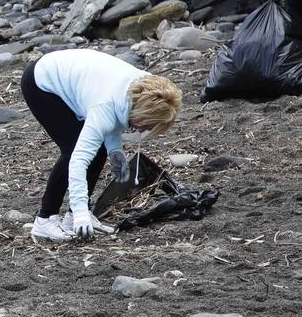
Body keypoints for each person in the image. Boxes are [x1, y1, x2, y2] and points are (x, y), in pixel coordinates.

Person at [20, 49, 181, 243]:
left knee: (99, 149)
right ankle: (45, 220)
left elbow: (115, 116)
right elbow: (79, 160)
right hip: (42, 82)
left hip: (77, 76)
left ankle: (72, 217)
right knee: (72, 150)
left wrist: (115, 150)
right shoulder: (105, 105)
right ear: (143, 112)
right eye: (147, 124)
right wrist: (81, 213)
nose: (145, 130)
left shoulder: (146, 89)